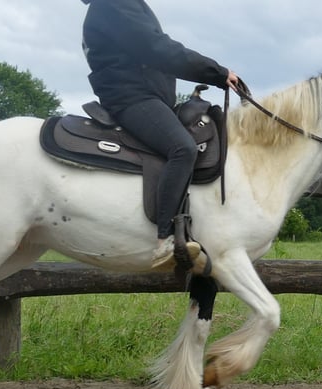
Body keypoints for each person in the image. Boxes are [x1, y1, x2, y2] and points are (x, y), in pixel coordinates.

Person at [80, 0, 240, 268]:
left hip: (146, 96)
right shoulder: (115, 4)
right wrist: (216, 73)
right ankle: (165, 239)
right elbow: (158, 49)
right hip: (132, 97)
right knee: (182, 148)